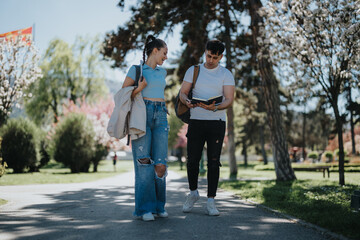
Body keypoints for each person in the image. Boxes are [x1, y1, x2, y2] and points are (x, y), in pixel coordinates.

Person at [179, 40, 235, 216]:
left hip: (217, 121)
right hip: (196, 120)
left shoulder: (226, 74)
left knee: (213, 162)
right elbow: (182, 92)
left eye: (215, 57)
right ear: (205, 52)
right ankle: (193, 193)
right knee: (192, 160)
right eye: (209, 55)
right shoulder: (193, 70)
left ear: (221, 57)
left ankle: (211, 200)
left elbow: (228, 99)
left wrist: (216, 107)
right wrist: (186, 101)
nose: (211, 60)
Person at [122, 35, 169, 221]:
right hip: (142, 116)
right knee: (144, 163)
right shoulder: (136, 69)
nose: (166, 57)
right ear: (155, 50)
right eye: (164, 53)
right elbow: (123, 94)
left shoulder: (162, 72)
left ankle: (159, 206)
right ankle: (144, 209)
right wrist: (138, 88)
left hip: (161, 116)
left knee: (160, 164)